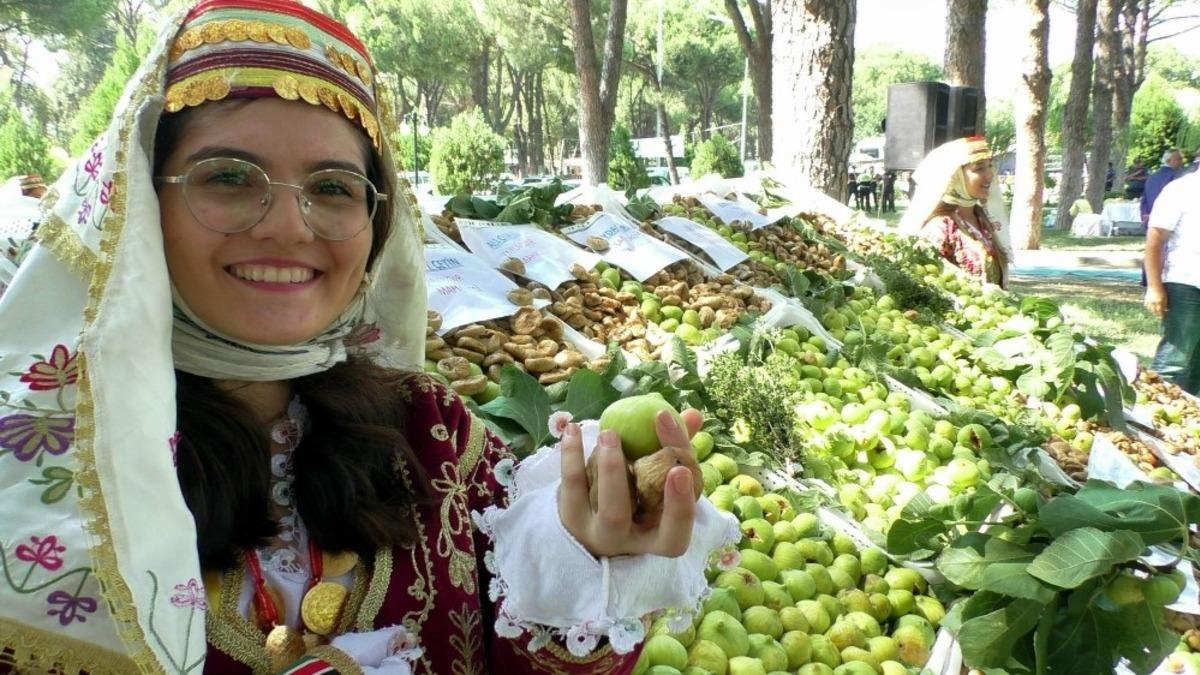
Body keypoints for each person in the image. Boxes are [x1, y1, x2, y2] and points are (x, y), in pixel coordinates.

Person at [0, 2, 737, 674]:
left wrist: (585, 558)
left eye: (331, 188)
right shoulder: (45, 473)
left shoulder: (432, 433)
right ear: (138, 198)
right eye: (227, 176)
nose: (289, 226)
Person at [899, 136, 1012, 288]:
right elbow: (929, 285)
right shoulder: (940, 228)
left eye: (990, 166)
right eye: (979, 168)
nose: (990, 174)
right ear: (955, 178)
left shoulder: (982, 219)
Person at [1144, 167, 1200, 394]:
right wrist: (1154, 287)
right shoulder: (1181, 190)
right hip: (1185, 284)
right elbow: (1155, 240)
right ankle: (1151, 419)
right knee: (1174, 361)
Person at [1142, 148, 1182, 226]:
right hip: (1170, 220)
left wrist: (1145, 215)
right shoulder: (1177, 176)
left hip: (1151, 219)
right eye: (1179, 159)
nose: (1181, 162)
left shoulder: (1151, 177)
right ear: (1169, 161)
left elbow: (1144, 200)